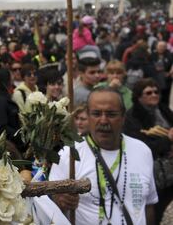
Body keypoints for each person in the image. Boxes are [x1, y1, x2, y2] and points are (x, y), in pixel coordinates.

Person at [50, 87, 158, 225]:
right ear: (88, 116)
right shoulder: (69, 154)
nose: (103, 121)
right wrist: (60, 201)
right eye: (96, 114)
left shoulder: (142, 151)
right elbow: (50, 208)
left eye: (111, 114)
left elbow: (148, 205)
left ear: (123, 117)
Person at [123, 78, 173, 222]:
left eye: (156, 92)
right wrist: (167, 140)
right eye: (148, 92)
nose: (154, 95)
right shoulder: (132, 117)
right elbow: (140, 147)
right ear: (139, 96)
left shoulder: (163, 110)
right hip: (154, 173)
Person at [0, 68, 22, 150]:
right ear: (5, 80)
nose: (12, 79)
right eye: (11, 77)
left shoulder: (3, 96)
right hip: (7, 147)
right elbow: (2, 127)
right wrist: (20, 136)